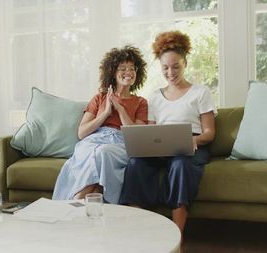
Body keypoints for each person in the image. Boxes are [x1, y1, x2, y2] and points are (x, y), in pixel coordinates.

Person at [119, 31, 217, 235]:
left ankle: (177, 237)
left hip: (191, 146)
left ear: (185, 64)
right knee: (136, 163)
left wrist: (194, 140)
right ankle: (136, 230)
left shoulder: (201, 93)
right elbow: (151, 130)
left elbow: (209, 133)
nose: (170, 72)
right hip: (162, 147)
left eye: (176, 66)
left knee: (180, 164)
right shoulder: (155, 96)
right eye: (165, 67)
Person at [52, 45, 148, 204]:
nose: (129, 72)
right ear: (113, 72)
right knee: (97, 156)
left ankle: (74, 204)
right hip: (93, 141)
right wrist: (105, 114)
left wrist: (120, 109)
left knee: (103, 152)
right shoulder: (99, 98)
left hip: (121, 143)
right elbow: (81, 133)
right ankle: (87, 206)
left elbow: (136, 136)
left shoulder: (141, 102)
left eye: (132, 68)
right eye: (123, 68)